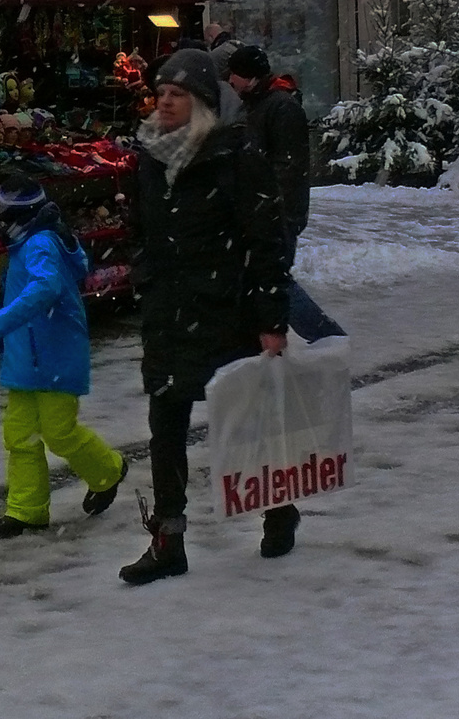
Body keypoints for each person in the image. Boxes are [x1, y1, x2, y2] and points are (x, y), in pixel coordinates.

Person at [123, 49, 293, 585]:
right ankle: (168, 539)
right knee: (165, 427)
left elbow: (265, 242)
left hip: (226, 311)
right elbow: (143, 230)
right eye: (160, 93)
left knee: (245, 420)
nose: (165, 102)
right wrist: (144, 274)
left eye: (177, 94)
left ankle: (278, 506)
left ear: (200, 102)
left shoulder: (235, 156)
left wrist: (271, 318)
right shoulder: (150, 157)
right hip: (169, 313)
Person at [0, 176, 128, 538]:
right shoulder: (35, 241)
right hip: (28, 356)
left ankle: (108, 469)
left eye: (3, 215)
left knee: (59, 431)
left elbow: (45, 289)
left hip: (53, 355)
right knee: (19, 434)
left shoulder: (39, 243)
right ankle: (26, 510)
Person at [227, 45, 345, 343]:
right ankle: (268, 342)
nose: (230, 81)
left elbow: (289, 168)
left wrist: (271, 208)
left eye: (235, 75)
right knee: (265, 279)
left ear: (251, 77)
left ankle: (325, 336)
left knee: (273, 280)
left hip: (277, 212)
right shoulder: (255, 104)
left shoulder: (280, 107)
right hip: (263, 210)